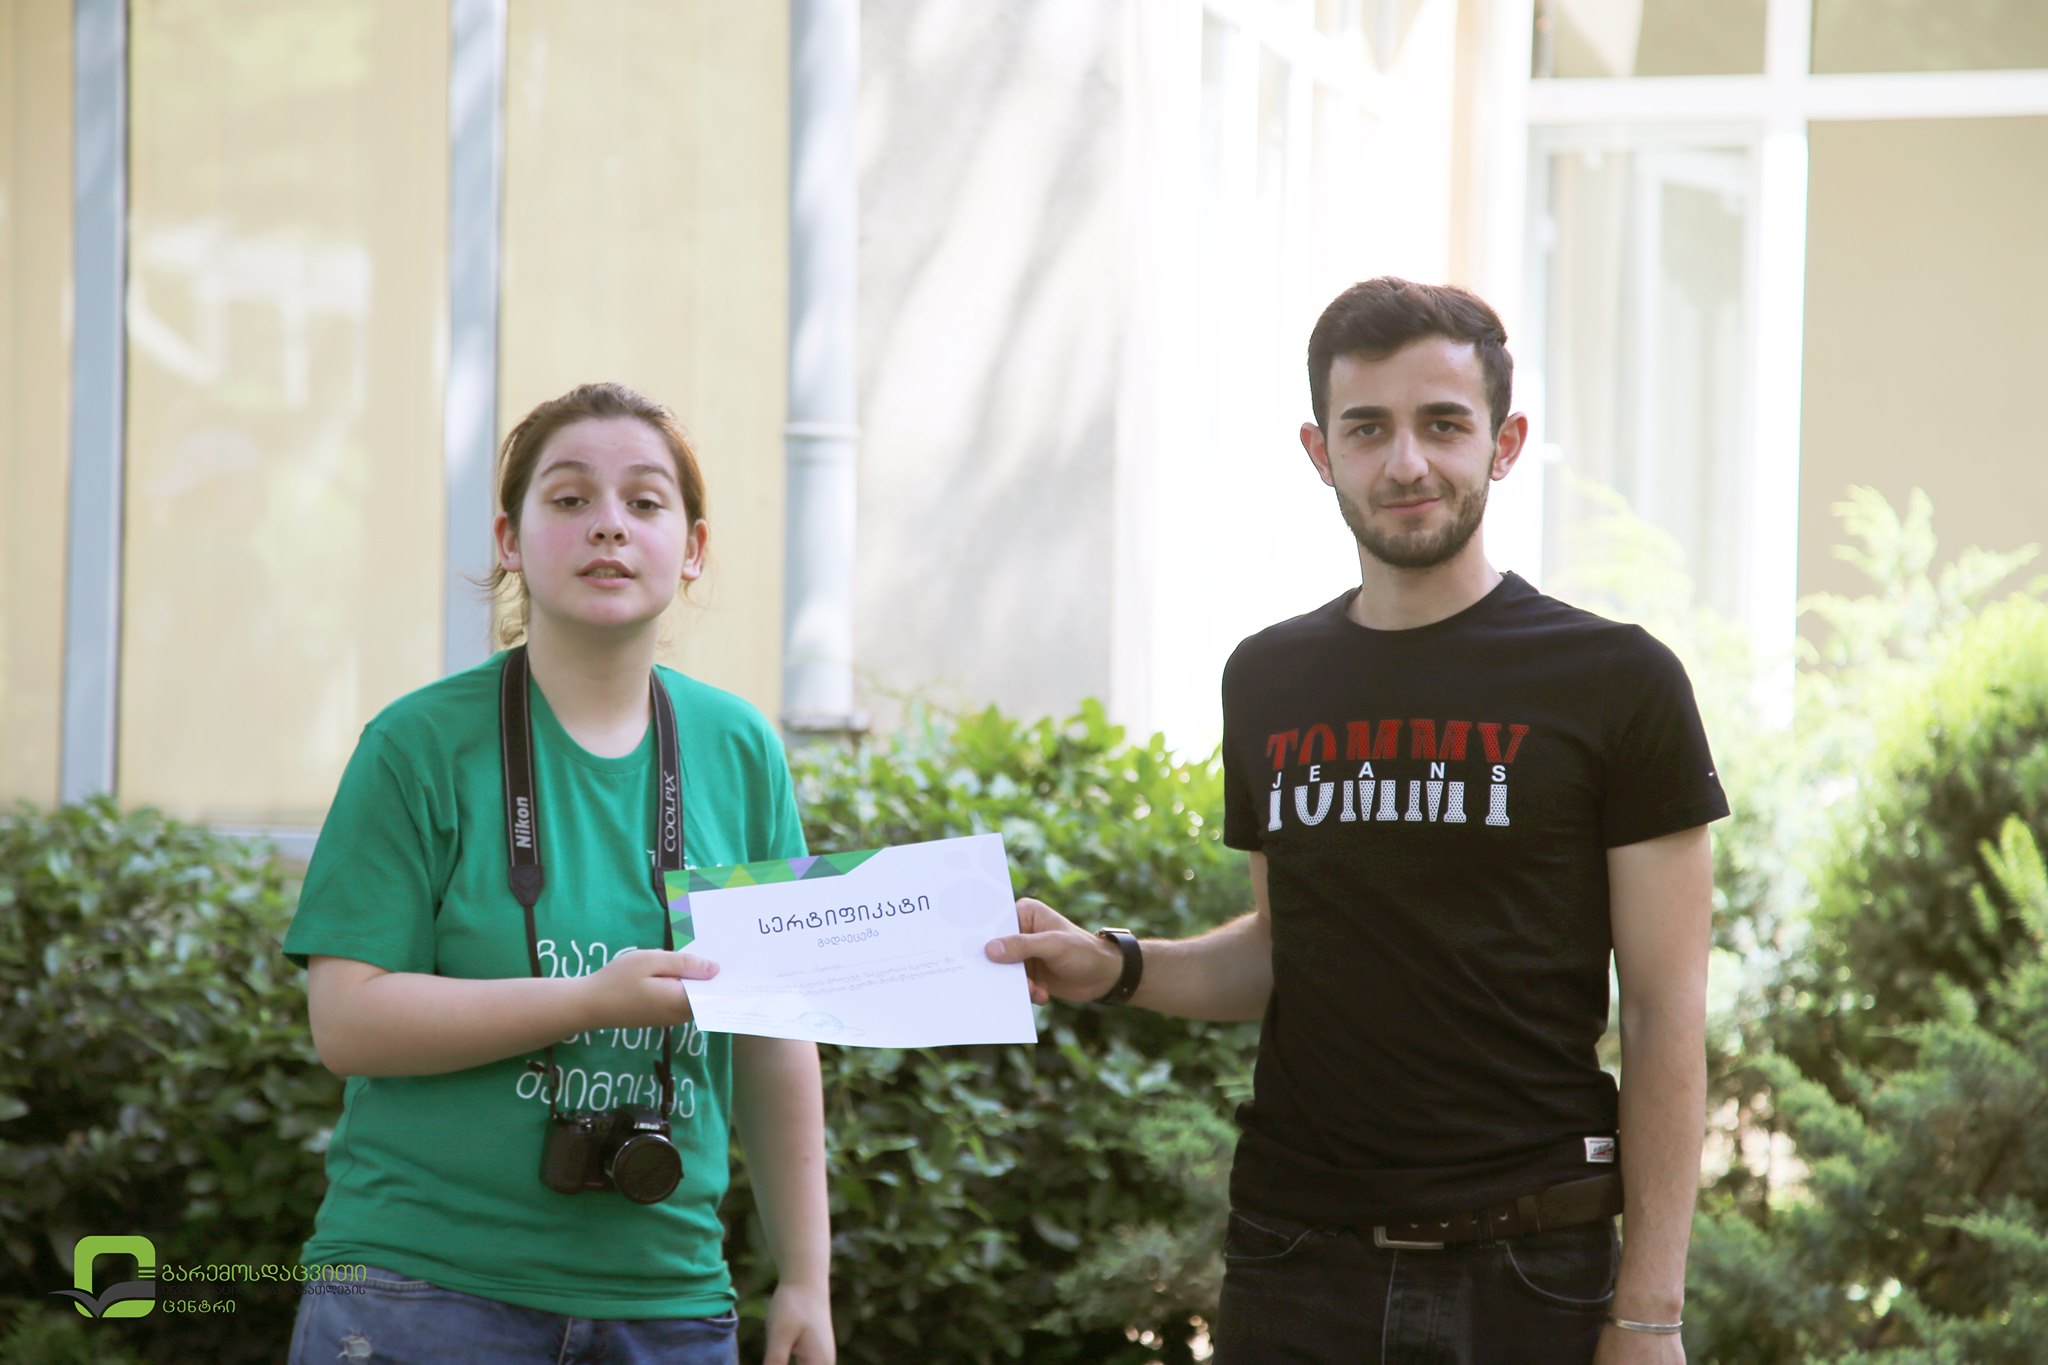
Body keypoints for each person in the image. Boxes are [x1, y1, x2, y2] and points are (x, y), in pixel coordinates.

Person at [987, 278, 1724, 1363]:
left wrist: (1649, 1311)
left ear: (1505, 443)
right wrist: (1115, 965)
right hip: (1295, 1268)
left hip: (1529, 1273)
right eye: (1367, 428)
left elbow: (1665, 1014)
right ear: (1319, 451)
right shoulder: (1268, 679)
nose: (1406, 463)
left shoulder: (1617, 680)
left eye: (1443, 425)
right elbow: (1283, 951)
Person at [284, 382, 834, 1365]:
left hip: (667, 1301)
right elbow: (348, 1021)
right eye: (570, 499)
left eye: (645, 502)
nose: (608, 526)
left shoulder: (739, 749)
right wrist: (585, 1000)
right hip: (417, 1292)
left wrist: (805, 1278)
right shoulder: (416, 746)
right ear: (509, 539)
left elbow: (775, 1028)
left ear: (693, 548)